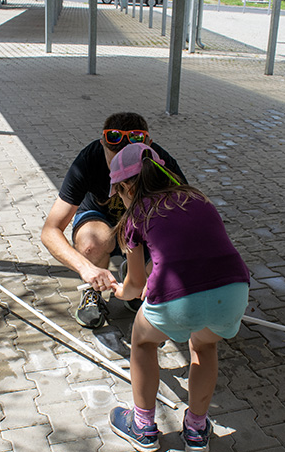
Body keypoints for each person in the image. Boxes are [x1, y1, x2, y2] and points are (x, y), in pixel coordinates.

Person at [105, 143, 250, 452]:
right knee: (204, 345)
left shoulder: (136, 215)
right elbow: (193, 250)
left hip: (180, 298)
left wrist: (119, 291)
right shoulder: (198, 197)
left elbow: (135, 284)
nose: (120, 198)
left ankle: (142, 426)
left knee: (143, 342)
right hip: (234, 288)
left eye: (119, 192)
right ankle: (197, 430)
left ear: (127, 186)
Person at [41, 113, 186, 329]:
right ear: (103, 145)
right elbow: (50, 230)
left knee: (162, 266)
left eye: (131, 164)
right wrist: (85, 268)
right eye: (115, 160)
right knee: (92, 243)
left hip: (143, 225)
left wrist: (164, 275)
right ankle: (94, 290)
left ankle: (137, 279)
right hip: (100, 221)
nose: (122, 171)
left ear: (149, 147)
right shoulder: (89, 160)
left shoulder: (163, 163)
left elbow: (184, 223)